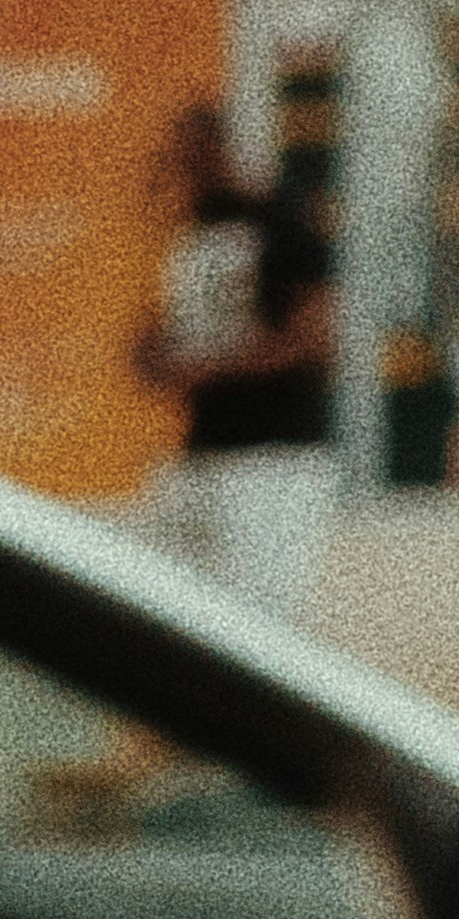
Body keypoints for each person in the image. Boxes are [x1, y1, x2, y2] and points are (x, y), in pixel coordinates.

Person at [134, 102, 340, 627]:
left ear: (216, 151)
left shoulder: (281, 221)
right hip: (204, 451)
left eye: (187, 159)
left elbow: (314, 339)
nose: (179, 173)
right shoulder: (192, 233)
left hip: (274, 457)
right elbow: (177, 332)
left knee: (260, 620)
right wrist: (157, 355)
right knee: (179, 617)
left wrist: (210, 368)